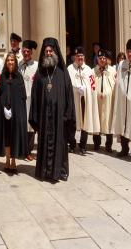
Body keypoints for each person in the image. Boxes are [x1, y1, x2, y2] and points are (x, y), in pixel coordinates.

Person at [29, 38, 75, 182]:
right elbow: (35, 97)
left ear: (55, 52)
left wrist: (68, 115)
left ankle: (58, 171)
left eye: (51, 51)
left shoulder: (63, 73)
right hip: (44, 117)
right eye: (46, 51)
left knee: (59, 143)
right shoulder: (40, 74)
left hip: (59, 118)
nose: (48, 53)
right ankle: (44, 171)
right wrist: (35, 116)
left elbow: (69, 97)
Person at [0, 53, 29, 172]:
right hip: (5, 112)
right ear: (6, 63)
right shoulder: (3, 77)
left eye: (12, 60)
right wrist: (4, 108)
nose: (10, 62)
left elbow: (22, 97)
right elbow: (0, 95)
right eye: (8, 60)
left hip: (16, 113)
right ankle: (7, 160)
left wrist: (17, 111)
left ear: (15, 63)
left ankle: (13, 161)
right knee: (7, 136)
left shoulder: (19, 77)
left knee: (14, 137)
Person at [68, 46, 95, 155]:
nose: (80, 58)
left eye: (81, 56)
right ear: (75, 57)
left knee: (85, 122)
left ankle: (83, 145)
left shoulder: (89, 70)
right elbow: (67, 84)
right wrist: (76, 88)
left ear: (84, 57)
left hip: (84, 100)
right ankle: (72, 144)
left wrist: (86, 89)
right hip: (73, 99)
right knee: (72, 123)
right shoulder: (70, 69)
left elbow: (93, 85)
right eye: (78, 56)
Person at [92, 50, 116, 152]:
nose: (102, 60)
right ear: (97, 59)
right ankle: (96, 143)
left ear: (106, 59)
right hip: (97, 101)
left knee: (108, 121)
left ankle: (108, 145)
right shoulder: (93, 71)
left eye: (104, 58)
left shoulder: (112, 71)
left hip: (109, 101)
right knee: (96, 120)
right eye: (100, 58)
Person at [19, 39, 38, 160]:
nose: (26, 54)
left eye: (28, 52)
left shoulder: (36, 66)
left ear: (31, 53)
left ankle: (29, 151)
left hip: (32, 100)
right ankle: (21, 149)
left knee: (31, 126)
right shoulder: (19, 65)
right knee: (21, 125)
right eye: (24, 51)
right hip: (21, 100)